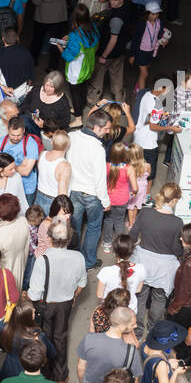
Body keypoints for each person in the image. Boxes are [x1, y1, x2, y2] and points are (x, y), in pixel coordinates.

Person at [27, 221, 88, 383]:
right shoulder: (78, 257)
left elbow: (34, 293)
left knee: (44, 338)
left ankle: (44, 373)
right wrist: (74, 296)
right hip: (66, 303)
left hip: (45, 305)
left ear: (50, 239)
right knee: (61, 337)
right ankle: (61, 376)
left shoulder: (43, 259)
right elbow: (82, 283)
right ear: (69, 239)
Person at [130, 183, 184, 331]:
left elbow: (132, 236)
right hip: (164, 267)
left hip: (142, 261)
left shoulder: (145, 213)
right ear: (173, 201)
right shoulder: (177, 222)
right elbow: (176, 249)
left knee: (140, 296)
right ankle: (153, 328)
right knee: (159, 299)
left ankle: (138, 329)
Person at [67, 107, 113, 270]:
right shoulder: (98, 149)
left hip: (73, 191)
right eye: (106, 129)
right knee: (93, 227)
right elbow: (99, 179)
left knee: (75, 226)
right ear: (97, 128)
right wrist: (105, 201)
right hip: (92, 195)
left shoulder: (71, 136)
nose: (107, 132)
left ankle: (73, 259)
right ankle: (88, 261)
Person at [76, 305, 143, 383]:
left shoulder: (89, 339)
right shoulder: (131, 352)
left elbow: (81, 367)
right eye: (132, 324)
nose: (135, 326)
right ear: (121, 326)